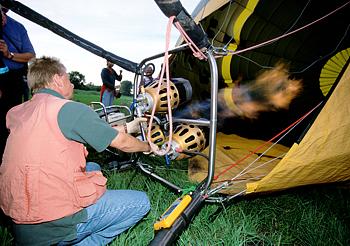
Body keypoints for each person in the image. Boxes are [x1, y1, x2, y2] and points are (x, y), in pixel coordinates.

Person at [0, 56, 152, 245]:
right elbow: (122, 142)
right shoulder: (68, 109)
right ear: (57, 79)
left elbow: (94, 131)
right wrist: (148, 147)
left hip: (20, 219)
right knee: (141, 202)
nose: (72, 85)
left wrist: (129, 127)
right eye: (69, 79)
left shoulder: (18, 112)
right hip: (54, 225)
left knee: (93, 166)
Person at [0, 6, 35, 159]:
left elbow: (31, 55)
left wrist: (9, 54)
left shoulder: (18, 27)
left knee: (11, 121)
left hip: (13, 80)